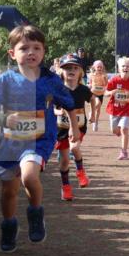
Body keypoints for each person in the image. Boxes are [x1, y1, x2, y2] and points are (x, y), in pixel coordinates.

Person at [0, 25, 79, 253]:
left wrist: (73, 128)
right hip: (10, 142)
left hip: (39, 140)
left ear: (44, 52)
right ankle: (9, 225)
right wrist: (3, 119)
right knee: (8, 191)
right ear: (12, 53)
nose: (31, 52)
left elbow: (70, 105)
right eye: (24, 48)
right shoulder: (5, 80)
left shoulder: (50, 80)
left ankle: (35, 213)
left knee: (29, 175)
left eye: (37, 48)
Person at [54, 54, 93, 201]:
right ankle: (66, 187)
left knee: (74, 148)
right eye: (68, 68)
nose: (71, 70)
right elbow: (51, 107)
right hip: (61, 128)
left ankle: (81, 172)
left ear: (80, 72)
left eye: (75, 68)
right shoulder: (58, 90)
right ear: (61, 71)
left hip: (79, 126)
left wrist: (94, 114)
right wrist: (57, 111)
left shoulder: (83, 90)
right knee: (64, 161)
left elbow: (94, 99)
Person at [104, 57, 129, 160]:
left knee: (124, 129)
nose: (125, 68)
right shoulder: (114, 80)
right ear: (119, 68)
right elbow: (106, 93)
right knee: (114, 130)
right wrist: (111, 92)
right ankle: (117, 131)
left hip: (126, 110)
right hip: (114, 110)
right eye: (123, 66)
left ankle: (124, 152)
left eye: (128, 66)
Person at [87, 60, 108, 131]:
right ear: (95, 67)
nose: (99, 68)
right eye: (98, 67)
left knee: (98, 109)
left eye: (101, 67)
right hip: (93, 93)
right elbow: (89, 83)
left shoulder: (104, 75)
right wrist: (89, 85)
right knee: (97, 103)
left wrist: (104, 79)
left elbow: (106, 84)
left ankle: (95, 122)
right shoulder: (91, 75)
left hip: (100, 93)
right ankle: (91, 113)